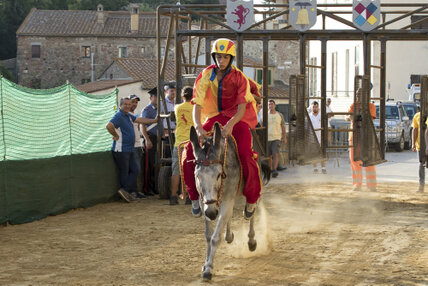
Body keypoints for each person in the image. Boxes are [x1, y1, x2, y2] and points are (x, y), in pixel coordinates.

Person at [182, 38, 261, 220]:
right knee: (188, 151)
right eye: (218, 56)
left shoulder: (239, 77)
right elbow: (197, 104)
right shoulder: (205, 75)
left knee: (245, 153)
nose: (221, 60)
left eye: (225, 57)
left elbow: (242, 108)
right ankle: (194, 197)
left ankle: (252, 198)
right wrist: (198, 127)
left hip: (236, 118)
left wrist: (230, 125)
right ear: (214, 56)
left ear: (230, 58)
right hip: (215, 116)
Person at [106, 97, 157, 202]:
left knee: (135, 169)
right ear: (120, 105)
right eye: (125, 104)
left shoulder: (128, 115)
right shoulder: (119, 115)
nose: (128, 106)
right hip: (121, 149)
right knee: (125, 172)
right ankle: (125, 192)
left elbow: (140, 120)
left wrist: (154, 120)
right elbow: (109, 126)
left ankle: (126, 191)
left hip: (130, 148)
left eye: (129, 104)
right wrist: (115, 135)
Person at [346, 89, 377, 192]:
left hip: (366, 137)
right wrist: (351, 116)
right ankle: (357, 184)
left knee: (369, 161)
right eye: (357, 94)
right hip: (354, 137)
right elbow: (348, 116)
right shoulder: (353, 105)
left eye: (361, 94)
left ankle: (371, 185)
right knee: (355, 161)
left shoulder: (370, 106)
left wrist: (357, 116)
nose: (358, 96)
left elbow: (370, 118)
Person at [169, 86, 194, 205]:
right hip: (191, 142)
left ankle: (173, 197)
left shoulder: (177, 107)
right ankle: (190, 196)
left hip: (178, 142)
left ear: (182, 96)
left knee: (176, 170)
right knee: (191, 169)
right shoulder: (196, 107)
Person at [141, 87, 159, 196]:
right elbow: (142, 125)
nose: (157, 99)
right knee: (149, 165)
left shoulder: (160, 109)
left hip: (158, 138)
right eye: (155, 96)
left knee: (155, 165)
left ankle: (155, 186)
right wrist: (147, 139)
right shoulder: (146, 110)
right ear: (150, 97)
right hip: (150, 138)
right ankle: (147, 188)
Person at [129, 94, 147, 199]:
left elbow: (140, 126)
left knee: (138, 170)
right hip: (131, 146)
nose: (134, 104)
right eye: (132, 102)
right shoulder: (126, 114)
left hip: (138, 144)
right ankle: (132, 192)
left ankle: (136, 191)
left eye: (136, 102)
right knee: (134, 169)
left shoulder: (136, 114)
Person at [267, 99, 287, 178]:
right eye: (269, 104)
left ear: (275, 106)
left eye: (272, 104)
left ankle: (274, 169)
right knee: (269, 155)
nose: (270, 106)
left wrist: (284, 137)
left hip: (276, 137)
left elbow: (283, 127)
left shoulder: (279, 115)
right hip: (267, 138)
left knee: (275, 154)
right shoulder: (265, 115)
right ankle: (271, 169)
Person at [411, 111, 428, 193]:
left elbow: (415, 130)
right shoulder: (417, 116)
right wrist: (413, 144)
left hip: (421, 145)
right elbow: (415, 130)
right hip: (420, 145)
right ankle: (421, 186)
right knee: (421, 164)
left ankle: (421, 186)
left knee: (421, 165)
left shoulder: (418, 115)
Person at [309, 101, 327, 174]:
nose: (315, 108)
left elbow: (326, 126)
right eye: (313, 106)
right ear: (311, 107)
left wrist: (326, 137)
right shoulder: (309, 116)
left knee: (322, 154)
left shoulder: (321, 116)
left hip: (321, 138)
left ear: (318, 107)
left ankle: (323, 168)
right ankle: (315, 168)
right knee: (314, 154)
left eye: (316, 106)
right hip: (312, 138)